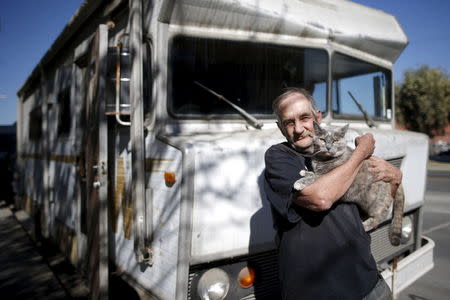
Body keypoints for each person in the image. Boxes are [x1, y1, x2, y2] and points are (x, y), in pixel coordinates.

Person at [264, 88, 402, 300]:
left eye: (304, 118)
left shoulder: (341, 152)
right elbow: (320, 198)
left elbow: (377, 199)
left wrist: (395, 177)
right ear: (281, 128)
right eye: (289, 122)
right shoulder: (279, 157)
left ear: (317, 119)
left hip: (369, 283)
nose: (299, 129)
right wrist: (360, 154)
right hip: (316, 291)